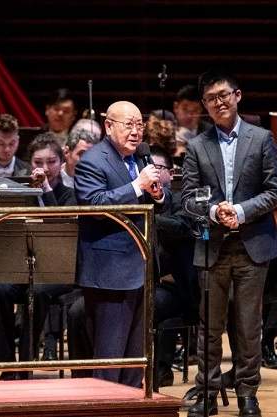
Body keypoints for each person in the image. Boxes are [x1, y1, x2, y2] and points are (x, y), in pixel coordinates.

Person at [181, 70, 277, 417]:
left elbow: (274, 191)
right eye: (211, 99)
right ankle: (207, 392)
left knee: (248, 326)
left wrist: (239, 211)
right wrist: (213, 211)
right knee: (209, 327)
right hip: (212, 245)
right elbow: (188, 198)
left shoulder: (262, 138)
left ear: (237, 95)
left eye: (224, 95)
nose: (219, 102)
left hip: (253, 244)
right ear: (204, 105)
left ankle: (247, 394)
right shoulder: (196, 146)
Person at [74, 100, 170, 387]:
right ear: (108, 126)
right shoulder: (92, 161)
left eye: (139, 125)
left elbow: (154, 202)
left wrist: (158, 195)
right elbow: (93, 205)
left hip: (142, 268)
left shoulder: (141, 157)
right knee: (110, 359)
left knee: (135, 360)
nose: (136, 131)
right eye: (128, 125)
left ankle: (131, 403)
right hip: (110, 273)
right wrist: (137, 186)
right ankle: (107, 405)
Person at [0, 133, 75, 380]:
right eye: (38, 162)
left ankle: (25, 363)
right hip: (24, 266)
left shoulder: (70, 194)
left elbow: (59, 223)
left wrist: (46, 188)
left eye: (51, 162)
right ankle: (5, 364)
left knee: (37, 292)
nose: (44, 168)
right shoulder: (23, 193)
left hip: (59, 270)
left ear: (61, 162)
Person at [150, 145, 198, 388]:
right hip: (138, 281)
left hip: (178, 287)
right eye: (147, 167)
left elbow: (183, 226)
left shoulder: (182, 200)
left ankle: (159, 370)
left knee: (151, 304)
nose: (152, 172)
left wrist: (146, 218)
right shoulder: (133, 197)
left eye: (157, 167)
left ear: (171, 173)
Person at [173, 84, 211, 157]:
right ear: (176, 107)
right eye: (185, 109)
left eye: (195, 110)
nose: (189, 115)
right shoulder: (166, 129)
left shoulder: (210, 132)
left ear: (201, 110)